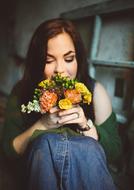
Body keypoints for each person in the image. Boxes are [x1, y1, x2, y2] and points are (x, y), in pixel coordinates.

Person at [2, 18, 122, 190]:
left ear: (78, 59)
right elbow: (8, 151)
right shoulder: (22, 91)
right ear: (37, 61)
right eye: (49, 60)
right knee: (46, 144)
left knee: (87, 148)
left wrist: (86, 126)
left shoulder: (95, 92)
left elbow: (115, 152)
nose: (60, 69)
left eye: (69, 58)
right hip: (40, 172)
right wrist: (43, 124)